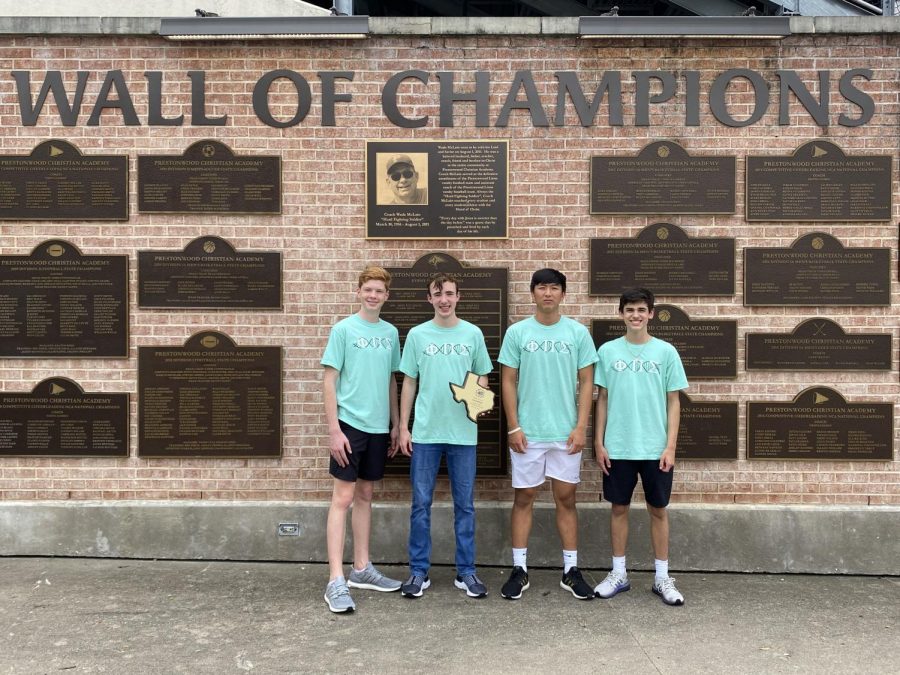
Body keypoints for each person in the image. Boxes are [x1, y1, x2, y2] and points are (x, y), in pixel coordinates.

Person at [498, 268, 598, 601]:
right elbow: (508, 381)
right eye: (542, 287)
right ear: (533, 293)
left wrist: (581, 426)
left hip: (565, 433)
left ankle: (570, 570)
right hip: (528, 432)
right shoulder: (518, 333)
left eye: (554, 288)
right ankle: (519, 570)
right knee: (524, 498)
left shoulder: (577, 333)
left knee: (566, 498)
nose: (548, 293)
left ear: (563, 294)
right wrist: (513, 425)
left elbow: (587, 383)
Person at [397, 273, 493, 599]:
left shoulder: (472, 334)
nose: (444, 299)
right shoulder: (417, 335)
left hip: (463, 434)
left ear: (458, 296)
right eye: (437, 294)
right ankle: (418, 572)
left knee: (464, 505)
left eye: (449, 293)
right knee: (420, 504)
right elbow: (408, 381)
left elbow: (482, 377)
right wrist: (403, 427)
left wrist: (480, 401)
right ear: (429, 299)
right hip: (425, 433)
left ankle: (466, 572)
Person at [592, 287, 689, 606]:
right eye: (629, 309)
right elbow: (602, 398)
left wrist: (670, 445)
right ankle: (618, 573)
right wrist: (599, 441)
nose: (635, 315)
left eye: (641, 309)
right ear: (621, 314)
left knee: (658, 510)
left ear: (651, 314)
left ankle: (662, 577)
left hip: (655, 447)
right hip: (618, 447)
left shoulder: (666, 352)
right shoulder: (607, 351)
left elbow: (673, 402)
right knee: (618, 508)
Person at [321, 266, 403, 613]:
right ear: (358, 292)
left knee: (367, 494)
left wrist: (397, 424)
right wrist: (334, 429)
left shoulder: (390, 333)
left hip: (378, 426)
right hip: (349, 424)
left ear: (386, 296)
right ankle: (336, 581)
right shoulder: (343, 330)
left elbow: (390, 381)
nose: (373, 295)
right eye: (368, 289)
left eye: (379, 291)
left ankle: (361, 569)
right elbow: (329, 379)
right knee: (343, 497)